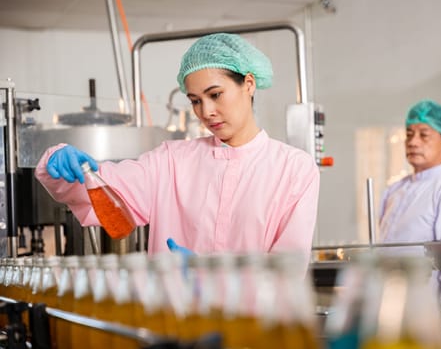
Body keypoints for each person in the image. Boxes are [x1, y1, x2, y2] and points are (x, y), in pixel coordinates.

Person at [34, 33, 320, 273]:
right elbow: (103, 193)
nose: (206, 112)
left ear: (248, 84)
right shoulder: (170, 162)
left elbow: (287, 273)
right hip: (171, 325)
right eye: (195, 101)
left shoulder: (294, 170)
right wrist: (59, 163)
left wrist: (207, 275)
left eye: (215, 94)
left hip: (250, 333)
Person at [378, 100, 441, 349]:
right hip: (392, 319)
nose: (413, 142)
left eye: (424, 135)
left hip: (432, 326)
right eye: (409, 134)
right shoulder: (395, 191)